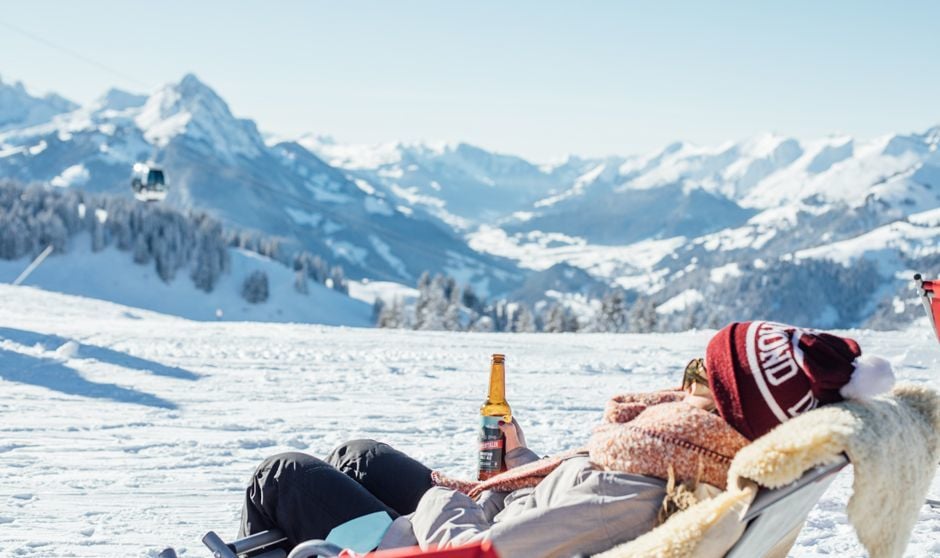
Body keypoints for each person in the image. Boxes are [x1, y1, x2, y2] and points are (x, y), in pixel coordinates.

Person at [238, 321, 895, 557]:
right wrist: (519, 463)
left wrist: (437, 501)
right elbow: (562, 513)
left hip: (452, 540)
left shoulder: (641, 486)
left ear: (722, 404)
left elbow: (477, 550)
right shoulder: (690, 459)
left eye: (704, 374)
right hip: (512, 515)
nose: (684, 379)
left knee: (281, 478)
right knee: (362, 457)